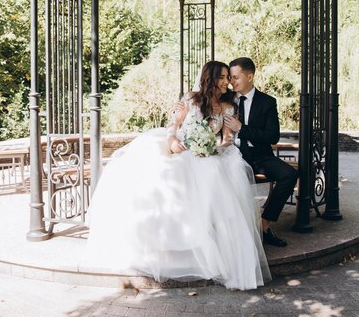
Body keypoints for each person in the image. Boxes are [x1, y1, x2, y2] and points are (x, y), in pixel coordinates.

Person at [83, 61, 270, 290]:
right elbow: (173, 125)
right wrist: (172, 140)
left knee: (211, 175)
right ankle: (161, 245)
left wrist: (211, 147)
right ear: (211, 79)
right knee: (164, 174)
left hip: (207, 153)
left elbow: (227, 139)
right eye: (222, 77)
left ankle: (202, 242)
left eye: (227, 77)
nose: (226, 82)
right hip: (180, 148)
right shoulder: (190, 99)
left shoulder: (228, 105)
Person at [223, 57, 299, 247]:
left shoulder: (267, 102)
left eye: (235, 77)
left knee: (289, 174)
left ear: (250, 77)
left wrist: (242, 128)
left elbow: (272, 136)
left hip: (260, 156)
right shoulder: (225, 100)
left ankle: (264, 225)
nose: (231, 82)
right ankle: (227, 232)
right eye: (230, 78)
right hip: (230, 155)